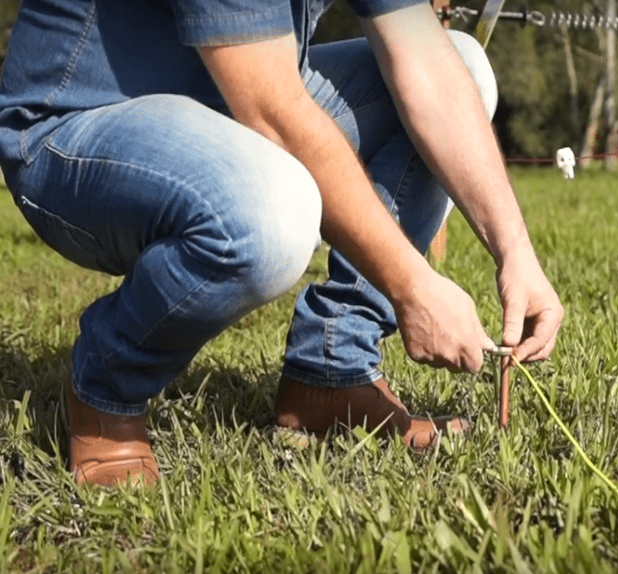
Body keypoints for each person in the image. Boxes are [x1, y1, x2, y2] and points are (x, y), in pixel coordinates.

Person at [0, 0, 563, 487]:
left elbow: (426, 65)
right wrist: (414, 288)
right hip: (75, 125)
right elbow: (273, 114)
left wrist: (516, 251)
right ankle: (106, 390)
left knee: (461, 61)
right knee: (270, 209)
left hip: (229, 92)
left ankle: (332, 371)